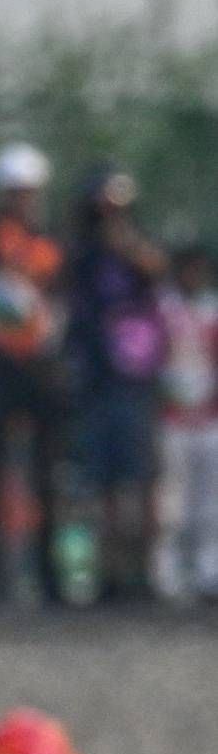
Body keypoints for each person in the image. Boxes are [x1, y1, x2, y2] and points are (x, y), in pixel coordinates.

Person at [61, 166, 171, 602]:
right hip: (96, 379)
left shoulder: (138, 246)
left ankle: (143, 571)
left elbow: (156, 269)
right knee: (101, 482)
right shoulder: (80, 255)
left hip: (134, 379)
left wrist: (123, 241)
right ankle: (108, 571)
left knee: (141, 480)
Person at [0, 143, 70, 602]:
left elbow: (59, 294)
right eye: (13, 192)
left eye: (27, 192)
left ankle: (49, 573)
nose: (21, 200)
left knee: (47, 473)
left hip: (40, 367)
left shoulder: (51, 241)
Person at [158, 239, 218, 597]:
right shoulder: (163, 310)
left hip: (208, 418)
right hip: (172, 418)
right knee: (172, 501)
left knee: (209, 500)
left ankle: (208, 570)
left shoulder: (212, 310)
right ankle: (168, 572)